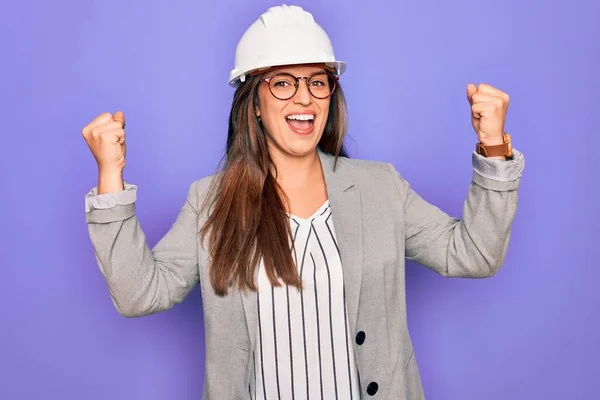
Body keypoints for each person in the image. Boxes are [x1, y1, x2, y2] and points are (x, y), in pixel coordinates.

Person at [82, 4, 525, 399]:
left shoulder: (380, 187)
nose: (304, 97)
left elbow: (475, 254)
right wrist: (110, 175)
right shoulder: (211, 201)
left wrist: (492, 147)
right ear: (252, 101)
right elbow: (140, 294)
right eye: (282, 83)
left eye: (318, 81)